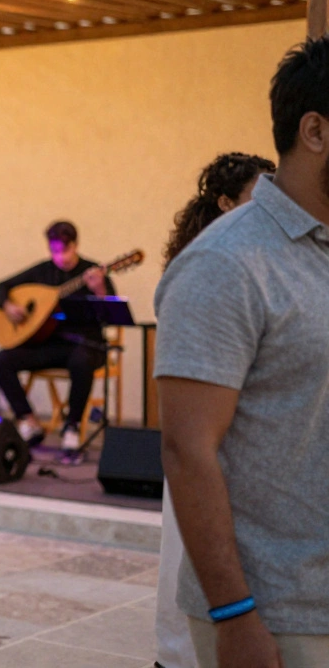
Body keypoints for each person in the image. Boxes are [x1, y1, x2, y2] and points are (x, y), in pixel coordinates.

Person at [157, 37, 329, 668]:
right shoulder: (225, 263)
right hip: (280, 617)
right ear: (314, 130)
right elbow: (186, 447)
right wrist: (235, 615)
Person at [155, 152, 273, 668]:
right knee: (184, 560)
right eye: (257, 195)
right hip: (205, 442)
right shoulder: (205, 271)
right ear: (226, 203)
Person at [0, 221, 115, 456]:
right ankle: (28, 420)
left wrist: (99, 290)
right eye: (54, 251)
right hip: (48, 345)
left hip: (85, 346)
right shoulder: (43, 271)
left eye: (64, 251)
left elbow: (111, 314)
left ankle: (72, 426)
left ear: (76, 245)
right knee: (0, 360)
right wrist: (8, 305)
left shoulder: (93, 272)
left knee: (81, 362)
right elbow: (1, 287)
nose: (59, 257)